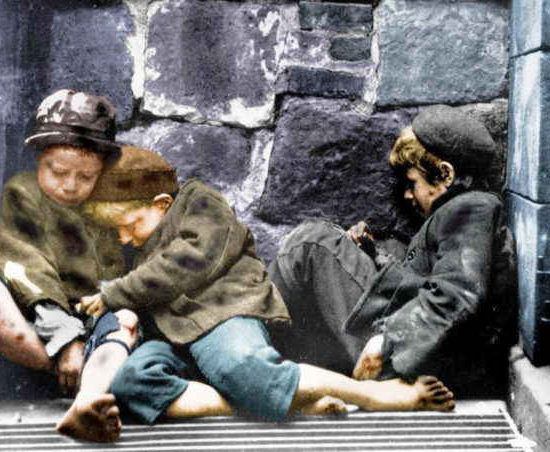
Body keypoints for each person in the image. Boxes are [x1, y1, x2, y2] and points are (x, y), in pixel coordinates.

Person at [76, 147, 455, 426]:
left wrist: (115, 293)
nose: (124, 238)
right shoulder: (139, 246)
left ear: (161, 203)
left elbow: (187, 262)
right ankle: (293, 402)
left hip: (222, 313)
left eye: (130, 225)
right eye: (117, 231)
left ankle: (375, 394)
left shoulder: (199, 202)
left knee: (244, 367)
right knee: (131, 384)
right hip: (181, 339)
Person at [267, 105, 518, 398]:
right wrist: (373, 256)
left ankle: (251, 357)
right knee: (322, 244)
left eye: (412, 183)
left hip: (421, 357)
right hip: (423, 349)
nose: (407, 195)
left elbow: (458, 293)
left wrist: (388, 340)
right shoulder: (460, 211)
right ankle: (260, 357)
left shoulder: (471, 208)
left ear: (446, 174)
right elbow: (426, 281)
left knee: (311, 244)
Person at [0, 89, 169, 442]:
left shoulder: (107, 203)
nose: (70, 186)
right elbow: (27, 266)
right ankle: (68, 370)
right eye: (57, 172)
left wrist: (121, 310)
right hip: (38, 313)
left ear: (100, 171)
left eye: (85, 177)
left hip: (94, 315)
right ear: (39, 159)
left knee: (125, 323)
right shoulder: (23, 193)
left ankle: (88, 401)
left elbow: (120, 274)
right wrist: (65, 343)